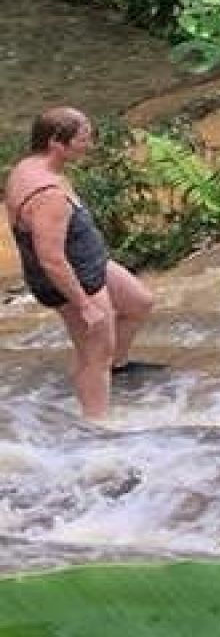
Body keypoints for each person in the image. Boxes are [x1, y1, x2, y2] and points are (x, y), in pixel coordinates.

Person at [4, 107, 158, 421]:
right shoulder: (48, 196)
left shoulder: (29, 165)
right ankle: (96, 430)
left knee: (139, 303)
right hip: (74, 280)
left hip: (90, 264)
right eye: (83, 139)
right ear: (56, 144)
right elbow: (52, 259)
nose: (89, 144)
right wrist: (84, 304)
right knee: (94, 354)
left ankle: (117, 368)